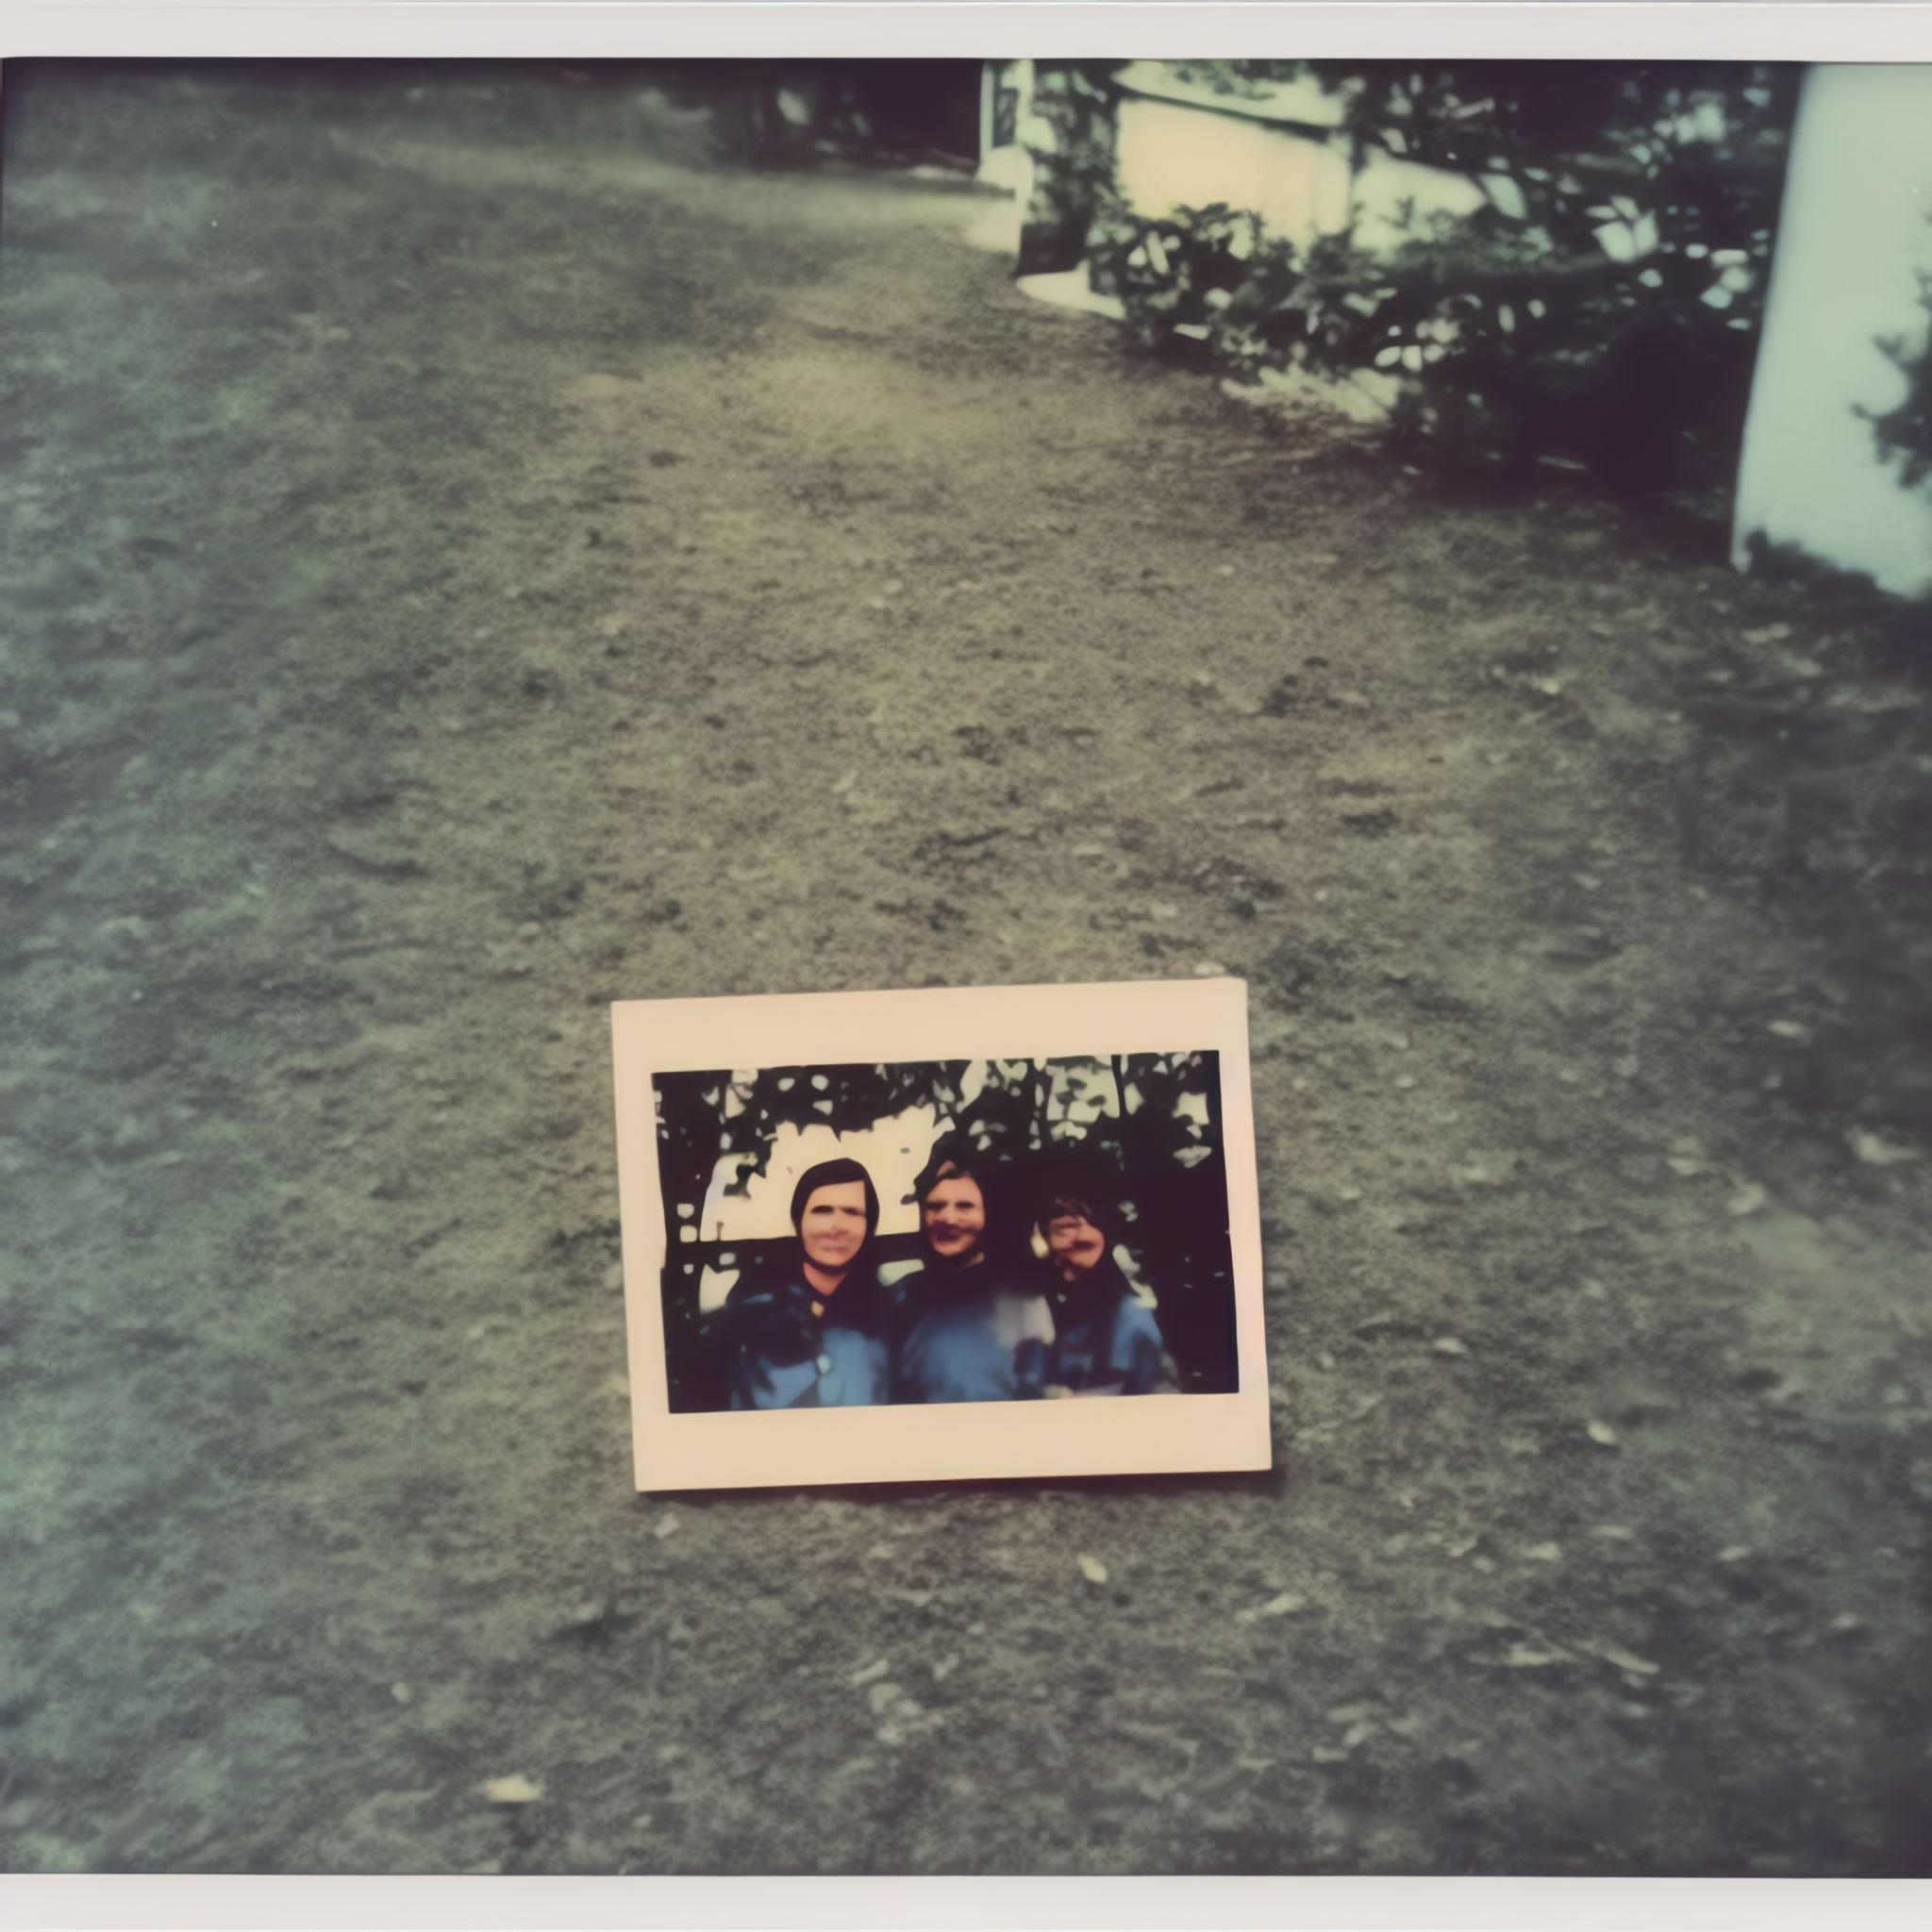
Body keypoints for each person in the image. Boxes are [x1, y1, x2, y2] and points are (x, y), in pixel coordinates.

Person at [708, 1157, 892, 1409]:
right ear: (799, 1220)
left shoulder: (891, 1315)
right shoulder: (751, 1310)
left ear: (869, 1224)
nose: (836, 1226)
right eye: (822, 1211)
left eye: (852, 1212)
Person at [892, 1141, 1055, 1404]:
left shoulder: (1021, 1297)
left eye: (964, 1206)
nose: (948, 1218)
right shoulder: (902, 1295)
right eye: (936, 1206)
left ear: (987, 1214)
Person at [1033, 1179, 1178, 1397]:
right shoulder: (1060, 1301)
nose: (1081, 1234)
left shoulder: (1126, 1316)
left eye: (1085, 1225)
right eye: (1065, 1229)